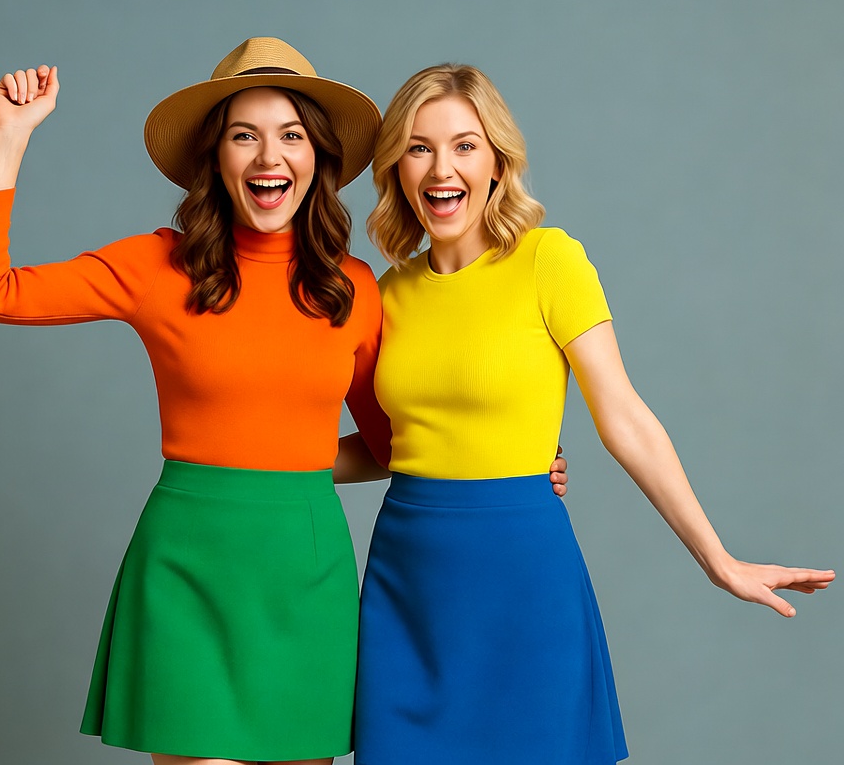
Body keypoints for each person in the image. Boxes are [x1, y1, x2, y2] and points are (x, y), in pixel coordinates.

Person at [353, 63, 835, 765]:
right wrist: (241, 456)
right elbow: (390, 446)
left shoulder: (550, 260)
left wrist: (716, 558)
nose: (439, 167)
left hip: (525, 572)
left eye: (464, 144)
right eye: (418, 147)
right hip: (410, 583)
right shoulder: (384, 295)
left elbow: (625, 418)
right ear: (396, 164)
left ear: (497, 161)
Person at [0, 37, 400, 765]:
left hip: (305, 575)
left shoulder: (353, 290)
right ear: (214, 160)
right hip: (188, 565)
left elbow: (393, 447)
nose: (268, 158)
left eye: (290, 136)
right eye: (243, 136)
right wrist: (10, 136)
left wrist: (522, 463)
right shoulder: (156, 266)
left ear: (318, 157)